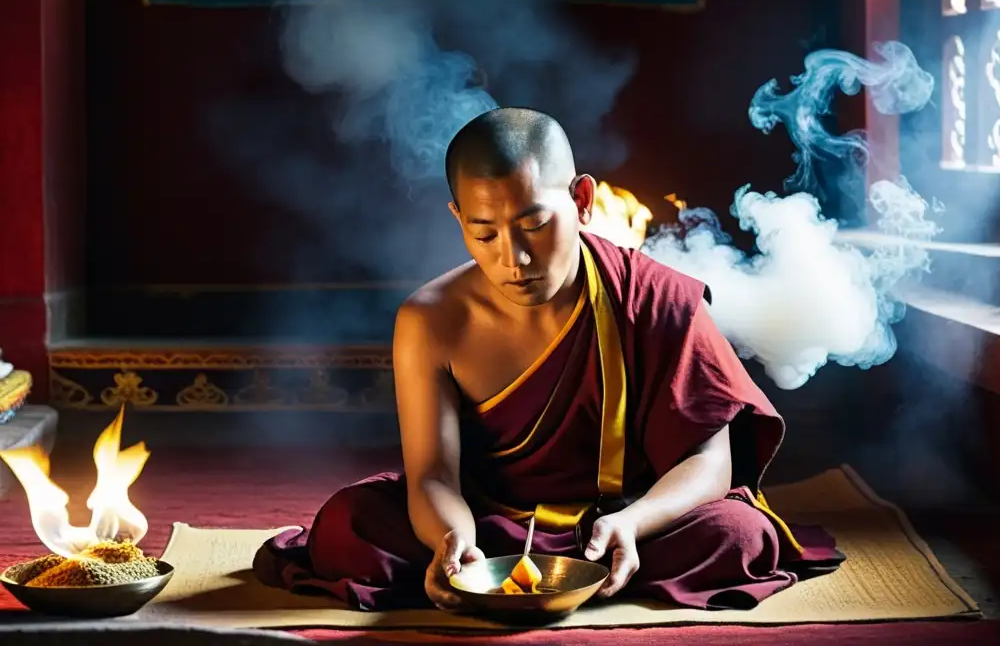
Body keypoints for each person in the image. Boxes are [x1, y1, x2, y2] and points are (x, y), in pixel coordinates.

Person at [254, 107, 845, 611]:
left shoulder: (652, 296)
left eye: (534, 224)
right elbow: (433, 473)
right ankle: (495, 571)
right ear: (459, 219)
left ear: (582, 200)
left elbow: (710, 462)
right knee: (346, 524)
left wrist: (634, 523)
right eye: (484, 234)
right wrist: (452, 540)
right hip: (490, 522)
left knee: (736, 534)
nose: (513, 258)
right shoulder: (430, 319)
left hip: (624, 521)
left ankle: (611, 560)